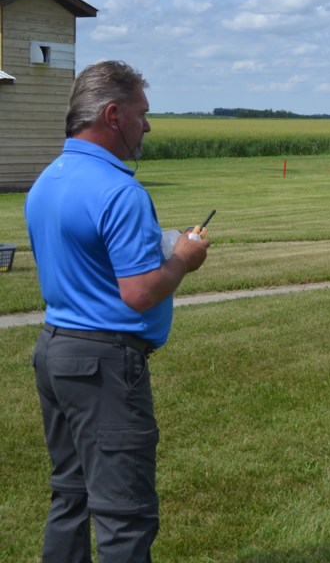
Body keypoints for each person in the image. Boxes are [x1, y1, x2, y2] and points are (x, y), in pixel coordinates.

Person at [24, 60, 210, 562]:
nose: (147, 125)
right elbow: (140, 293)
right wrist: (183, 259)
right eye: (141, 113)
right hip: (104, 364)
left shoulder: (48, 179)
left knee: (71, 495)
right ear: (113, 115)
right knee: (124, 516)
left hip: (55, 348)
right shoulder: (120, 190)